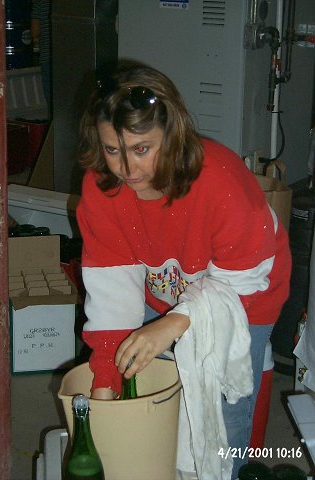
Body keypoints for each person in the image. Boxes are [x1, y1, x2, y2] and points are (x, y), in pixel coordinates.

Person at [76, 63, 291, 479]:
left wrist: (176, 320)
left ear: (172, 135)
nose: (128, 170)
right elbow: (112, 291)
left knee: (222, 413)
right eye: (112, 149)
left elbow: (242, 282)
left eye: (142, 148)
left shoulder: (220, 180)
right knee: (156, 392)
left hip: (247, 294)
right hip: (167, 291)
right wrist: (105, 379)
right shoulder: (103, 187)